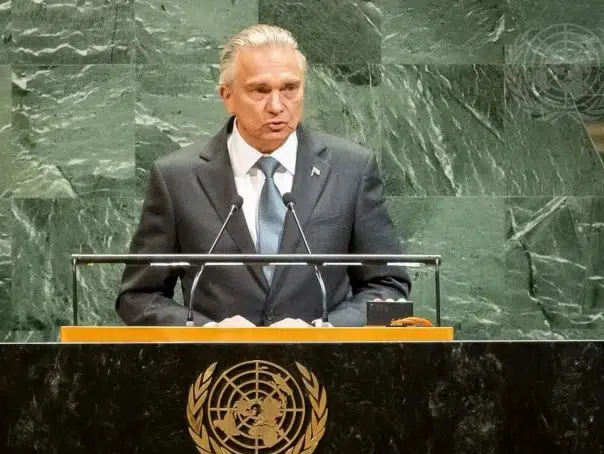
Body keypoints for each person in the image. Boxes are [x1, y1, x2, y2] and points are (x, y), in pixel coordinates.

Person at [115, 24, 410, 327]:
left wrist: (326, 331)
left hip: (324, 355)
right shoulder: (178, 178)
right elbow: (139, 295)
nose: (277, 106)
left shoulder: (351, 169)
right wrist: (207, 332)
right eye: (260, 90)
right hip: (216, 357)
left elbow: (387, 285)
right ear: (227, 96)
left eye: (290, 88)